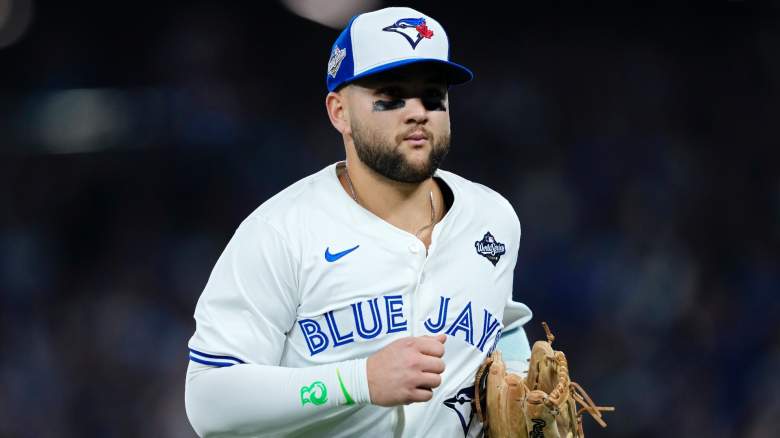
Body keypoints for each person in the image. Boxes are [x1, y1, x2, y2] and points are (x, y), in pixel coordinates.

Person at [185, 6, 533, 437]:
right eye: (390, 97)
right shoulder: (282, 232)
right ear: (339, 112)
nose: (417, 112)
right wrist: (359, 382)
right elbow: (209, 400)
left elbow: (501, 326)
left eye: (433, 97)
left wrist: (522, 377)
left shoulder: (492, 219)